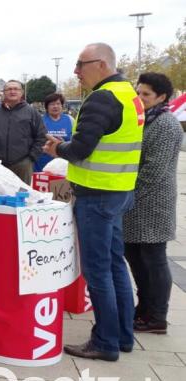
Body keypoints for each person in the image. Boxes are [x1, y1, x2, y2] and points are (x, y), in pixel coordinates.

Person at [44, 43, 144, 362]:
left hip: (97, 194)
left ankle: (105, 341)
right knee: (115, 265)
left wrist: (57, 149)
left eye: (80, 64)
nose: (76, 71)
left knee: (97, 270)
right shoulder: (129, 95)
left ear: (101, 64)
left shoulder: (102, 98)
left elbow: (81, 149)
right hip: (119, 191)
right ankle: (122, 335)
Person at [123, 72, 182, 335]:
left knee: (153, 260)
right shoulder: (145, 119)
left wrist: (125, 193)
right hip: (136, 204)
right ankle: (144, 308)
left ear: (162, 97)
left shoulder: (166, 124)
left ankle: (157, 316)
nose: (140, 98)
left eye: (146, 94)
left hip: (153, 204)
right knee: (136, 257)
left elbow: (153, 171)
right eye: (138, 92)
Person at [0, 80, 47, 185]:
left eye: (16, 89)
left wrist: (31, 157)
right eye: (9, 89)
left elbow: (41, 136)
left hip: (23, 165)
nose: (12, 91)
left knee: (22, 194)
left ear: (21, 92)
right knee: (1, 194)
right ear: (4, 93)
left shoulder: (31, 112)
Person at [34, 93, 75, 172]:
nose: (55, 106)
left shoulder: (70, 120)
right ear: (46, 107)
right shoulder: (39, 120)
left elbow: (75, 140)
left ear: (62, 105)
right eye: (52, 104)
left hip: (63, 163)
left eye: (58, 104)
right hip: (42, 163)